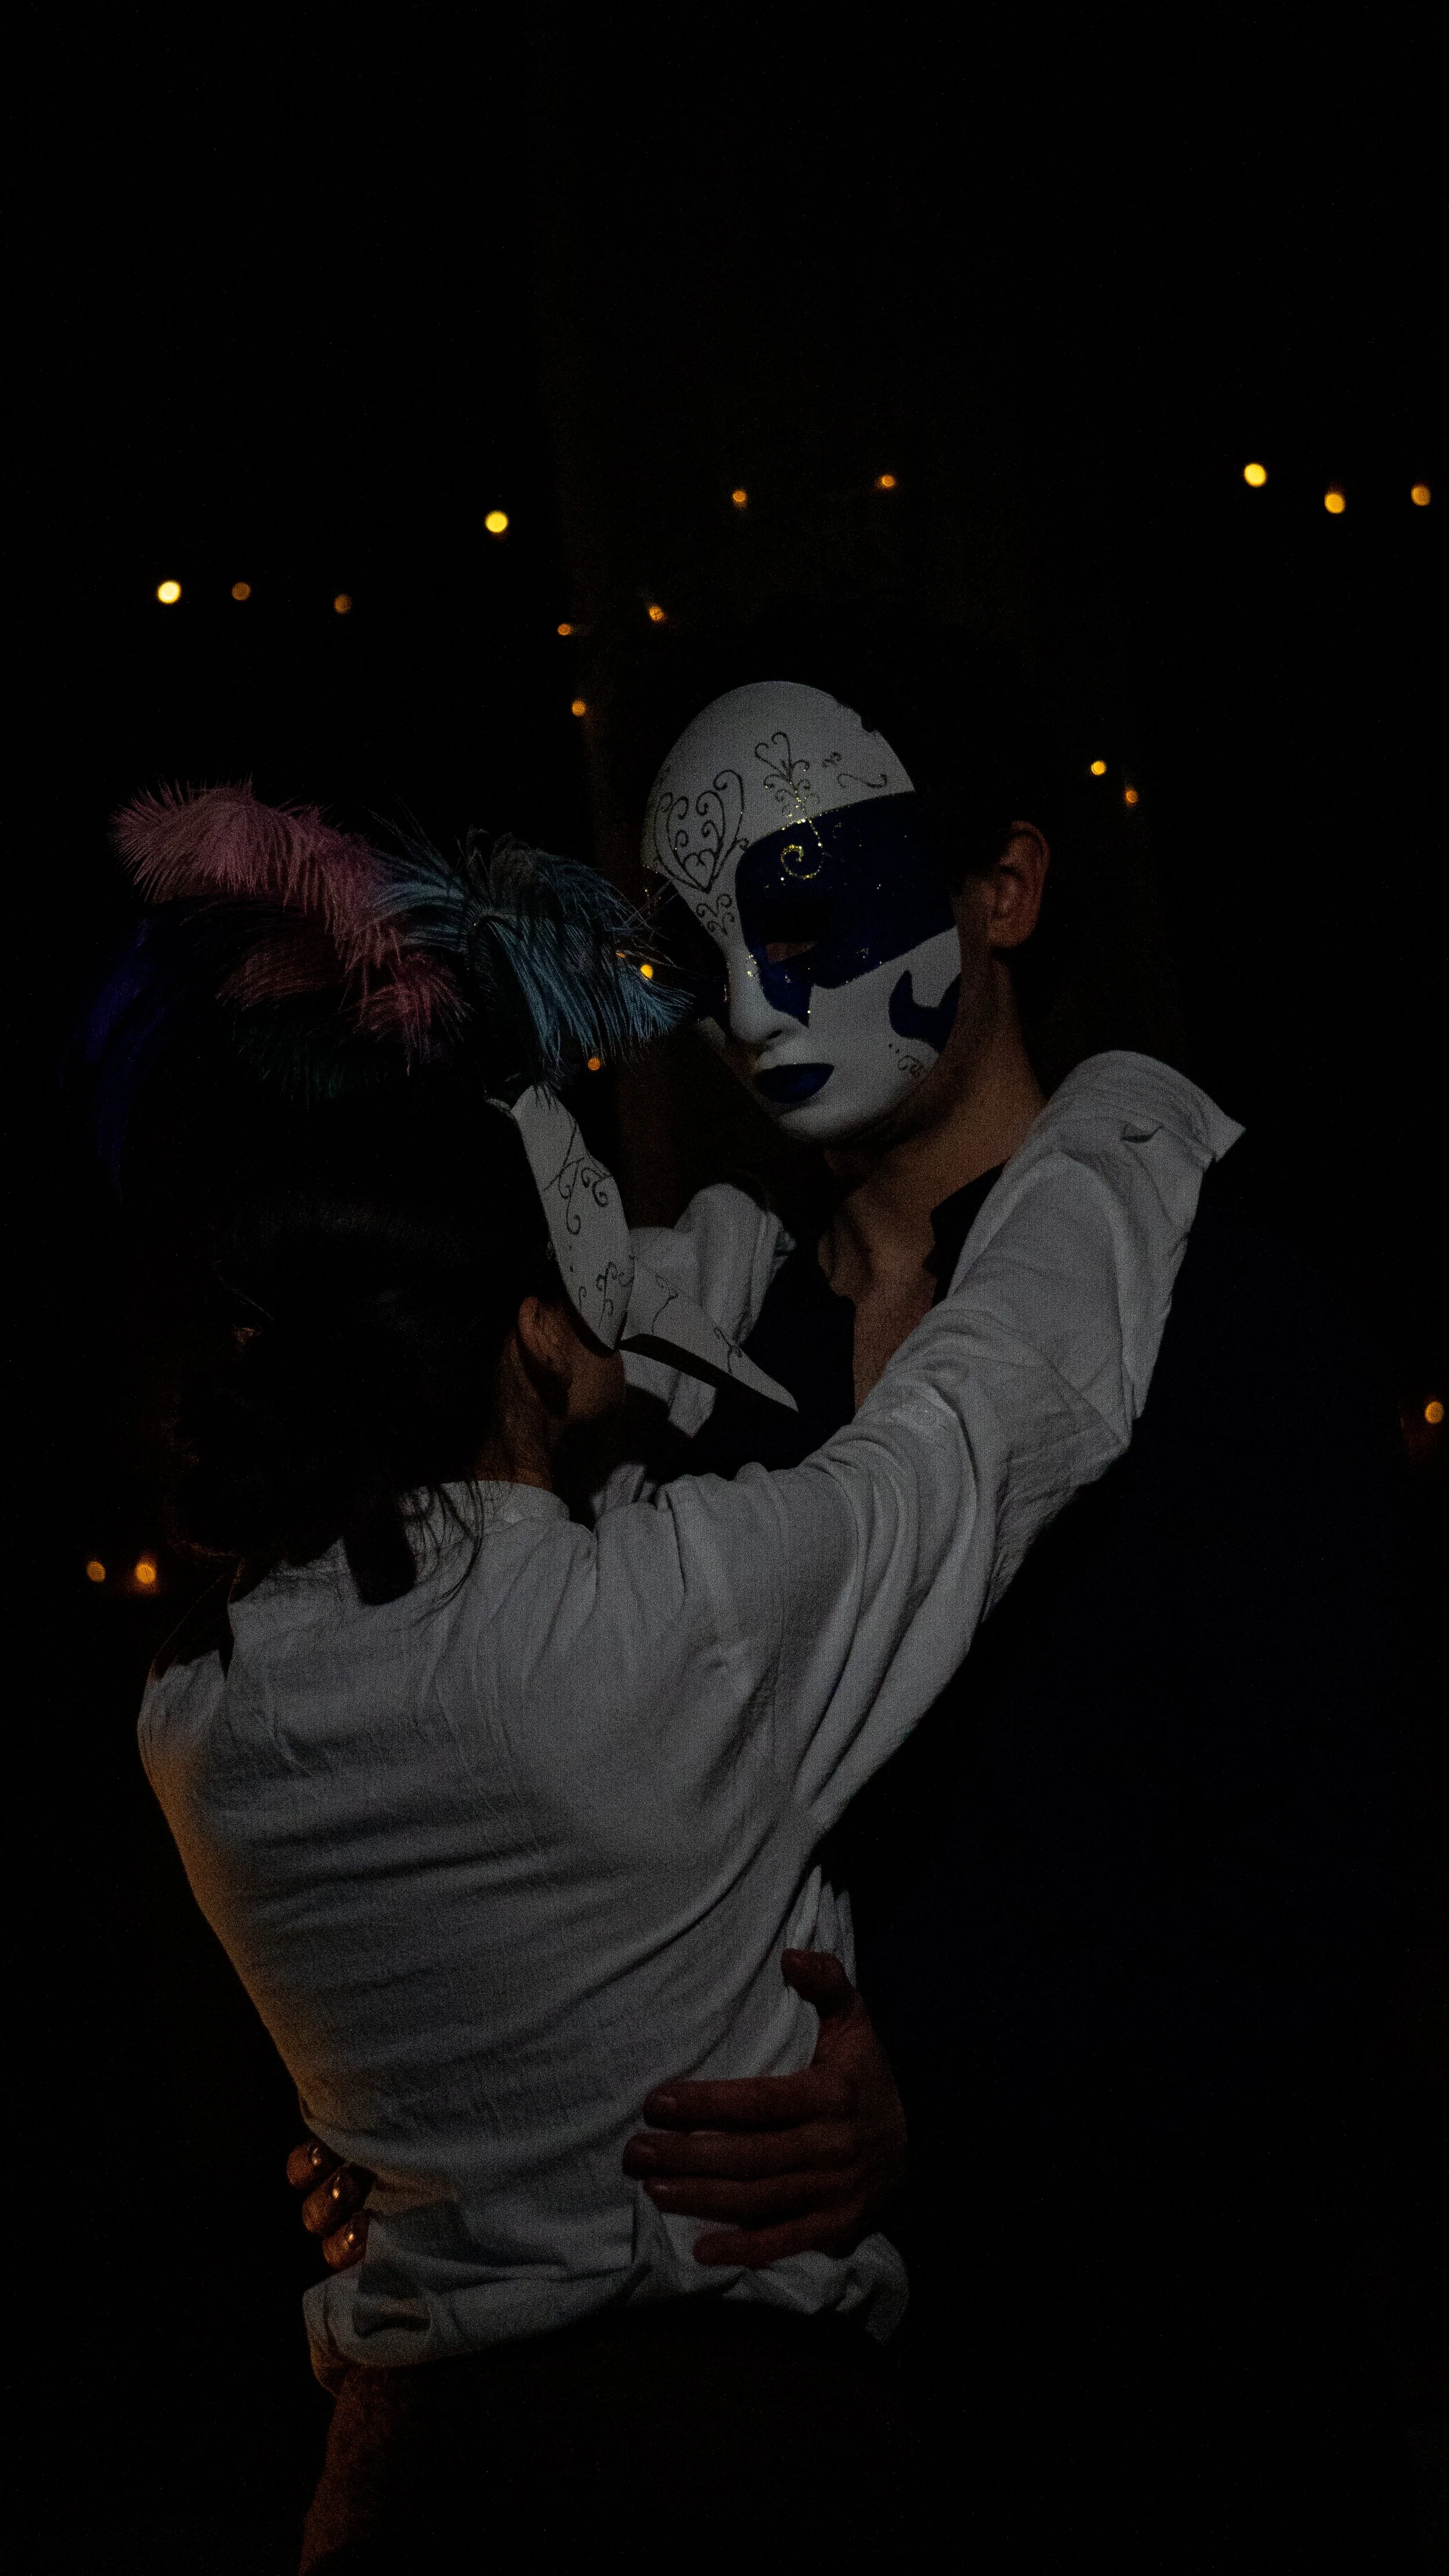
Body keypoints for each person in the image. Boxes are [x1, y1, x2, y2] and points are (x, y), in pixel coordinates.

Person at [297, 616, 1410, 2566]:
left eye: (813, 898)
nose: (749, 992)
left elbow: (1344, 1877)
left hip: (1166, 2395)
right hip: (781, 2438)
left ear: (1004, 880)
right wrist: (437, 2114)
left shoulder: (1221, 1311)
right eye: (697, 934)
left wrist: (956, 2099)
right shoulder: (706, 1359)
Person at [121, 784, 1232, 2567]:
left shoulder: (199, 1705)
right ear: (527, 1327)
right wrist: (1117, 1112)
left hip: (395, 2483)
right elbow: (997, 1412)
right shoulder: (668, 1622)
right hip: (716, 2465)